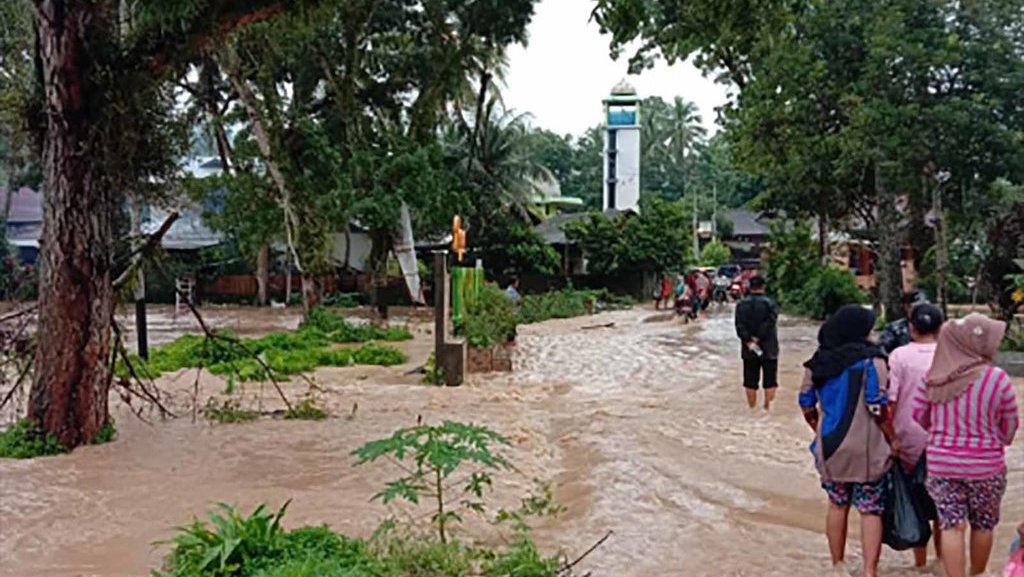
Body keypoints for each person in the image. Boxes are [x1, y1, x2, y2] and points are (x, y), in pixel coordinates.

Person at [911, 313, 1019, 577]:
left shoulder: (933, 377)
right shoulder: (998, 379)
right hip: (986, 467)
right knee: (983, 525)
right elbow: (1010, 425)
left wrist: (942, 436)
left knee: (951, 525)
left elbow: (918, 415)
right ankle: (977, 574)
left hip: (942, 465)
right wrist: (998, 440)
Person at [798, 305, 896, 577]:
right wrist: (893, 440)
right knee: (870, 510)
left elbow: (806, 402)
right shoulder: (874, 362)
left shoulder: (818, 362)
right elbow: (878, 407)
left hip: (830, 447)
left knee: (837, 504)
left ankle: (837, 565)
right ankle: (869, 571)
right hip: (869, 450)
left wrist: (818, 428)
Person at [887, 303, 945, 569]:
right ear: (940, 328)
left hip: (906, 437)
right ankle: (943, 562)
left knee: (915, 503)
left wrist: (890, 437)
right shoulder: (951, 356)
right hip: (944, 439)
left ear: (911, 327)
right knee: (944, 508)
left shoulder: (899, 356)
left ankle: (920, 565)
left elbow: (890, 401)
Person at [734, 275, 779, 410]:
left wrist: (749, 339)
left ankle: (752, 408)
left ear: (750, 286)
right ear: (763, 286)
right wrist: (759, 337)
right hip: (768, 348)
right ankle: (767, 407)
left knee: (750, 381)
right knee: (770, 380)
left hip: (749, 348)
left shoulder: (741, 304)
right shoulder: (771, 303)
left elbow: (739, 325)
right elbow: (771, 322)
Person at [878, 290, 928, 354]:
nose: (923, 310)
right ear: (907, 307)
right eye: (917, 307)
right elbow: (881, 349)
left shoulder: (933, 326)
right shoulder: (895, 329)